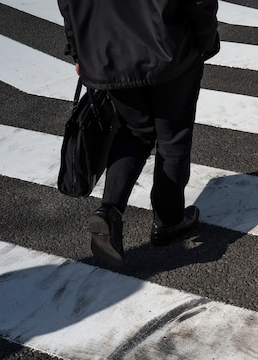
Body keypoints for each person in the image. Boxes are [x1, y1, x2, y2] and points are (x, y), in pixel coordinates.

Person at [58, 0, 220, 267]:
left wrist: (77, 50)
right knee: (173, 135)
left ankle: (110, 211)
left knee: (135, 131)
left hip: (106, 52)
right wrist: (206, 39)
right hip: (168, 46)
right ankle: (168, 220)